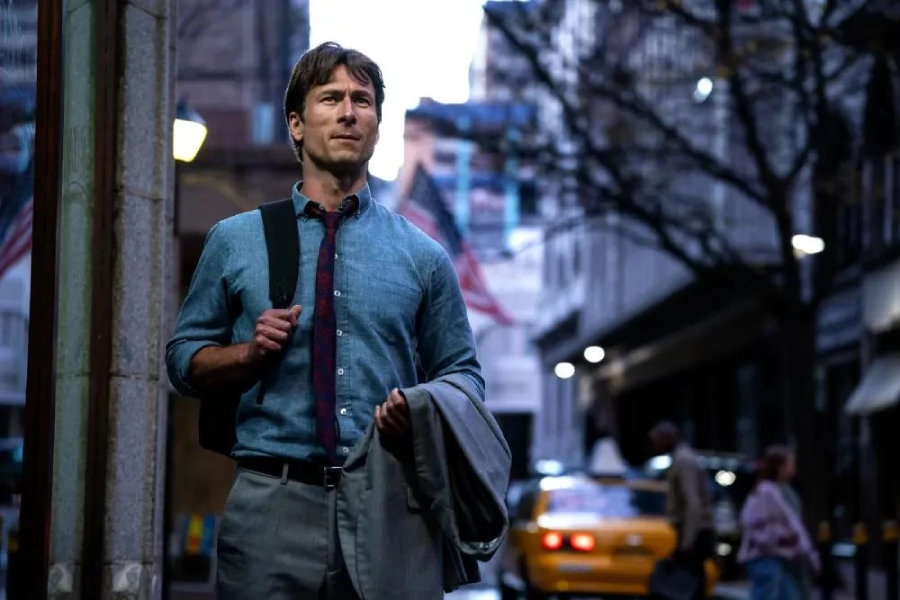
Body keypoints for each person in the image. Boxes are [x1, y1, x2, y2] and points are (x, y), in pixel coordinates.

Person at [166, 42, 488, 599]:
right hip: (272, 506)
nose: (347, 112)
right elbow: (181, 360)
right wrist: (246, 354)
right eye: (330, 98)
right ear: (296, 123)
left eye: (362, 101)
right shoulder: (235, 240)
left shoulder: (424, 255)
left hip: (391, 506)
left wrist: (421, 408)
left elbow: (464, 376)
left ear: (377, 126)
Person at [738, 446, 819, 600]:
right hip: (766, 557)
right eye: (790, 463)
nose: (793, 467)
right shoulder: (767, 491)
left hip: (775, 557)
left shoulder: (775, 490)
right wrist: (783, 537)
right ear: (781, 467)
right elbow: (752, 522)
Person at [650, 421, 715, 599]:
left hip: (695, 532)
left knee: (689, 585)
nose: (655, 446)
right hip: (693, 531)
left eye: (657, 440)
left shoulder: (684, 461)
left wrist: (687, 541)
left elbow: (692, 503)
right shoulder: (682, 458)